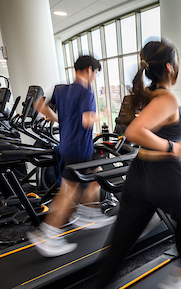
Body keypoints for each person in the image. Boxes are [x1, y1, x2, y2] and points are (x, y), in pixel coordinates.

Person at [61, 39, 181, 289]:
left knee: (120, 244)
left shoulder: (152, 95)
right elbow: (134, 132)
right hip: (166, 175)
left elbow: (148, 119)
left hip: (140, 175)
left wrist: (177, 112)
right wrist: (174, 145)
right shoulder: (163, 100)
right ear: (169, 67)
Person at [27, 55, 115, 257]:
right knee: (69, 192)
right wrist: (104, 114)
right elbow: (86, 121)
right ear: (89, 70)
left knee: (97, 176)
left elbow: (38, 105)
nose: (95, 77)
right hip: (80, 148)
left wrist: (58, 119)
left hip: (66, 146)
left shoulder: (61, 89)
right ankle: (49, 233)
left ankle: (88, 212)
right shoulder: (86, 92)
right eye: (96, 73)